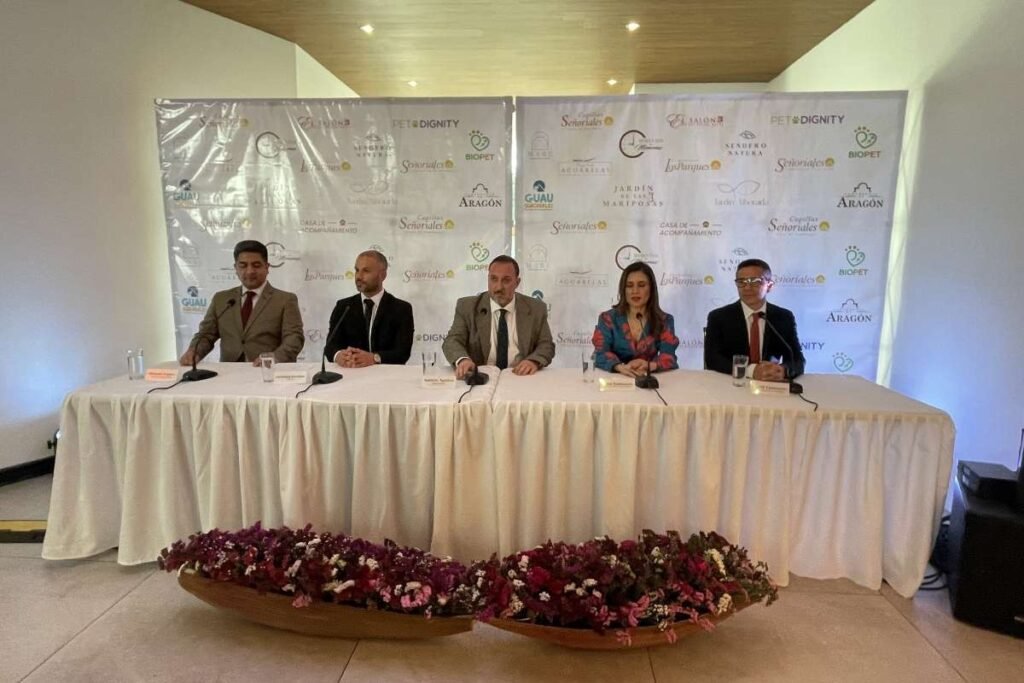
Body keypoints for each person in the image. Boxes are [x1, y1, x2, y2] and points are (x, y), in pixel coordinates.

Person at [180, 240, 304, 366]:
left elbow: (294, 338)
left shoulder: (285, 300)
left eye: (256, 265)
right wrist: (194, 351)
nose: (250, 271)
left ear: (267, 267)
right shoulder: (221, 299)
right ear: (235, 268)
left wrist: (275, 357)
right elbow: (206, 334)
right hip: (229, 372)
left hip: (267, 371)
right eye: (243, 266)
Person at [442, 255, 555, 378]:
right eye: (493, 279)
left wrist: (533, 361)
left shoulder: (536, 308)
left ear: (517, 283)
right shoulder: (467, 307)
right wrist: (463, 360)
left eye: (506, 280)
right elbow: (452, 341)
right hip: (481, 377)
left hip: (520, 377)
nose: (498, 287)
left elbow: (546, 345)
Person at [704, 258, 805, 380]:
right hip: (731, 382)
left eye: (755, 281)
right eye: (741, 281)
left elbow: (797, 359)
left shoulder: (783, 317)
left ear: (769, 286)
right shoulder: (719, 317)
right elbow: (712, 359)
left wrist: (783, 371)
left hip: (770, 384)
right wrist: (751, 371)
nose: (747, 287)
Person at [324, 250, 414, 367]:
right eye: (357, 270)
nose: (359, 276)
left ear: (382, 275)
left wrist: (374, 358)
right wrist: (339, 355)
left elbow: (402, 353)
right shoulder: (343, 306)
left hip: (387, 375)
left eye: (366, 271)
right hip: (351, 373)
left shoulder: (401, 309)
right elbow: (330, 346)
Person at [592, 261, 679, 376]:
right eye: (629, 286)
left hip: (648, 378)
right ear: (623, 290)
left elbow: (669, 357)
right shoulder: (608, 319)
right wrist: (619, 367)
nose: (635, 291)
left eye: (641, 285)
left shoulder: (664, 320)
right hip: (616, 379)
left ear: (651, 289)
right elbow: (600, 354)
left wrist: (649, 365)